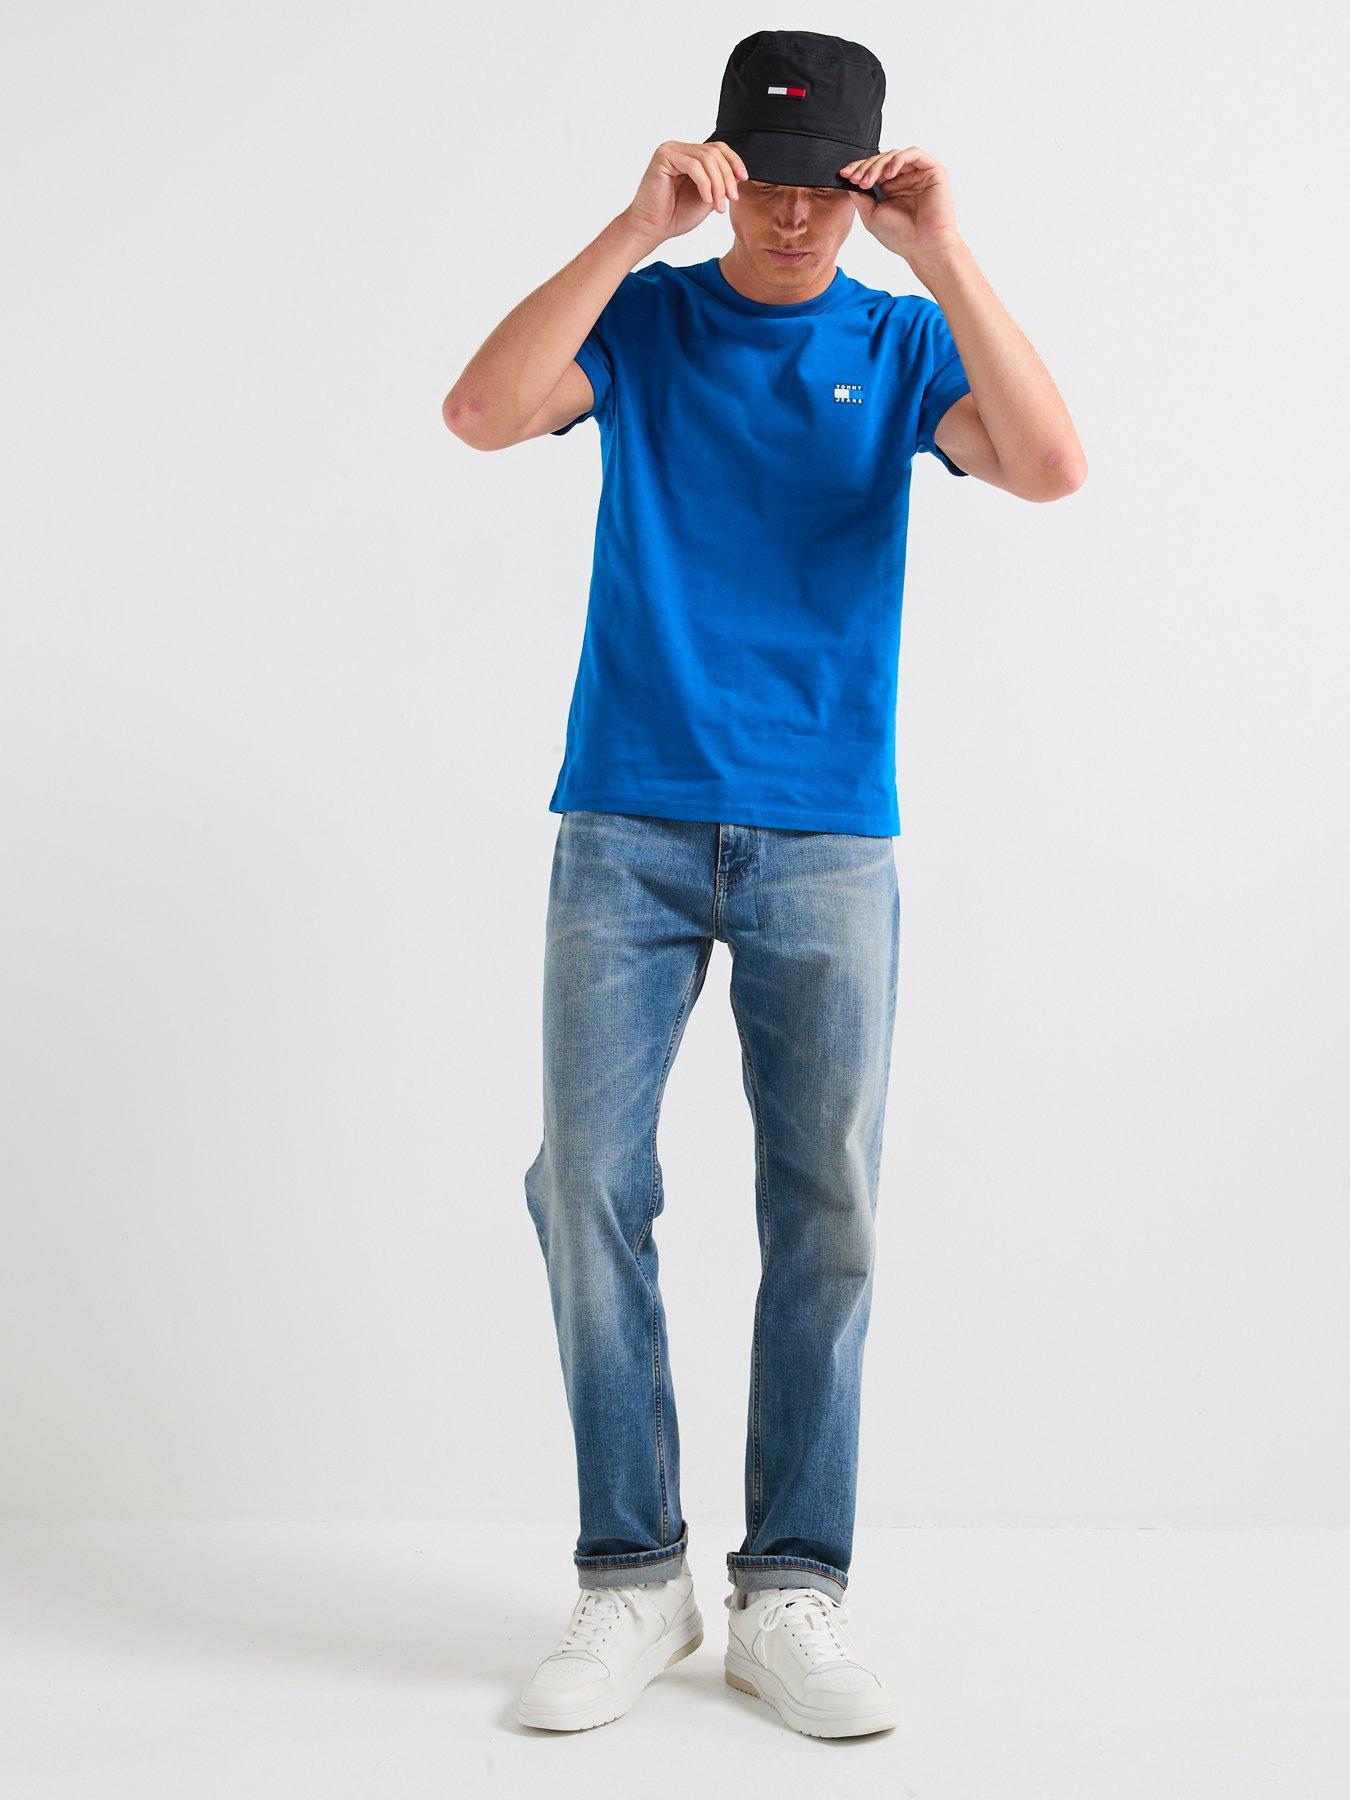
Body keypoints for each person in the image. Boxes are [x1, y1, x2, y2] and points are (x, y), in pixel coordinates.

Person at [443, 28, 1086, 1739]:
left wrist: (942, 253)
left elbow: (1049, 466)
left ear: (865, 185)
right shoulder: (645, 322)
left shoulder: (899, 337)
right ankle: (630, 1579)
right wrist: (626, 230)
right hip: (627, 817)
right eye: (768, 182)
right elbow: (482, 414)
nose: (795, 218)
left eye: (827, 188)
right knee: (585, 1183)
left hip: (822, 831)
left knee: (828, 1208)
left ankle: (790, 1588)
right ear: (721, 169)